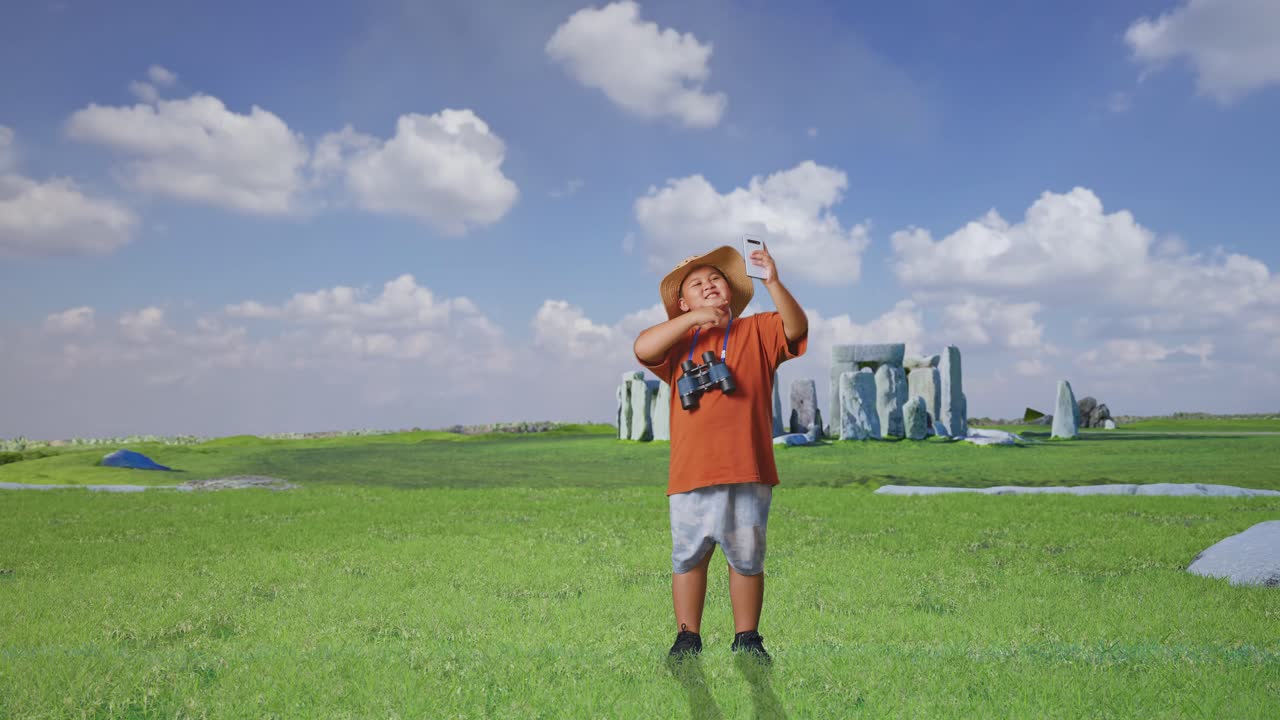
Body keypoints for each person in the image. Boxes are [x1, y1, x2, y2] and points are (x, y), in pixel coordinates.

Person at [632, 243, 808, 662]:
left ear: (731, 290)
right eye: (696, 285)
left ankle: (747, 636)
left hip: (748, 467)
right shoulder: (678, 344)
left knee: (747, 556)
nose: (708, 286)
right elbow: (642, 348)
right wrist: (692, 321)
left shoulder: (757, 330)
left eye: (715, 280)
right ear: (681, 302)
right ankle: (686, 635)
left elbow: (796, 329)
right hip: (692, 471)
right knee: (688, 554)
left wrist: (774, 283)